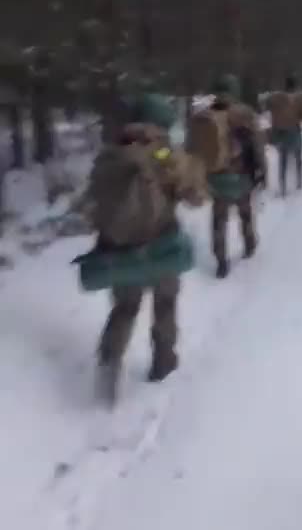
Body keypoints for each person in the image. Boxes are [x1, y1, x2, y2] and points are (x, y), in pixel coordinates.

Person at [89, 92, 207, 402]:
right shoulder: (166, 152)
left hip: (117, 248)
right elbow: (196, 197)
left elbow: (93, 205)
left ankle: (110, 362)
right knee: (165, 303)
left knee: (124, 308)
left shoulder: (112, 151)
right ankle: (163, 361)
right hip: (160, 244)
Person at [188, 74, 267, 279]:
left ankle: (221, 260)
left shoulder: (205, 114)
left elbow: (193, 148)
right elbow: (258, 144)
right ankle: (249, 244)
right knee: (245, 212)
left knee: (219, 219)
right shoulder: (244, 113)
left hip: (215, 177)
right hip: (240, 175)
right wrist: (262, 170)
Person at [268, 75, 302, 197]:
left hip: (280, 132)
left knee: (283, 160)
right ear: (295, 86)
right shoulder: (299, 98)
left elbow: (269, 109)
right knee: (298, 157)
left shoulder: (276, 97)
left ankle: (283, 187)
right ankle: (299, 182)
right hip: (294, 130)